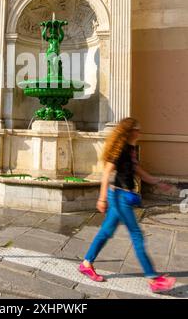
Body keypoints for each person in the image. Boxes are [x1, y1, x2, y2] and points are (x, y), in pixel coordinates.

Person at [79, 118, 176, 294]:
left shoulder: (130, 149)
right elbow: (107, 172)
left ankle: (86, 263)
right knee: (137, 236)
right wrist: (102, 199)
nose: (140, 132)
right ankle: (153, 279)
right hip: (119, 197)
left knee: (106, 232)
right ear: (129, 131)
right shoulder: (121, 148)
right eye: (137, 129)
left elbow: (137, 170)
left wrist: (158, 182)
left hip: (121, 196)